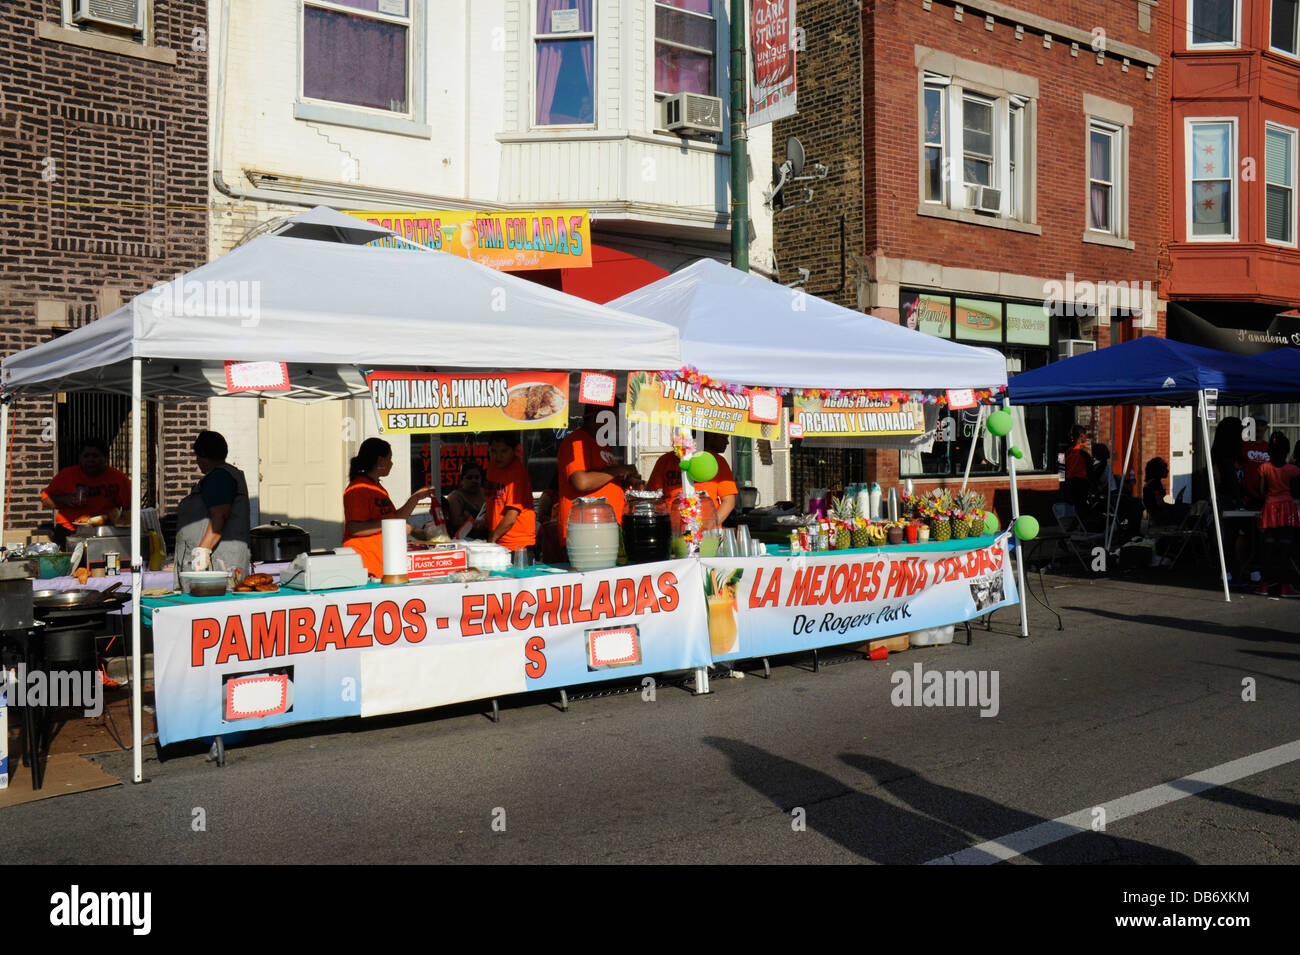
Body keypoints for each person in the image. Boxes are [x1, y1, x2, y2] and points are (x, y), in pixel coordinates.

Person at [342, 438, 434, 578]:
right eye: (389, 458)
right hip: (364, 564)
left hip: (381, 564)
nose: (392, 463)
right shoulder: (357, 489)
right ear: (380, 461)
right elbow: (356, 528)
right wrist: (393, 525)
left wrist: (415, 498)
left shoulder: (377, 487)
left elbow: (394, 518)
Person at [556, 405, 640, 544]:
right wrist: (618, 470)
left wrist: (626, 481)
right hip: (586, 532)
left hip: (605, 529)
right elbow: (581, 482)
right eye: (611, 419)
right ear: (596, 417)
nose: (614, 425)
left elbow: (603, 480)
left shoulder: (602, 443)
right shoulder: (576, 440)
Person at [174, 431, 252, 581]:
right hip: (221, 560)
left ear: (203, 456)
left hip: (218, 565)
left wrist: (203, 551)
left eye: (198, 456)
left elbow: (219, 516)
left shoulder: (219, 477)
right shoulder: (224, 474)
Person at [41, 437, 132, 547]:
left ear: (105, 458)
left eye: (95, 456)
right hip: (69, 530)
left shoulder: (118, 478)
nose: (90, 460)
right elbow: (46, 500)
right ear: (80, 458)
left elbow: (129, 508)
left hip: (105, 532)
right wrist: (66, 499)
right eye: (86, 456)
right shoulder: (67, 475)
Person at [646, 432, 740, 524]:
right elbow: (652, 496)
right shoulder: (665, 460)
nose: (727, 442)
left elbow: (729, 501)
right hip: (672, 531)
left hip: (706, 534)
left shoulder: (717, 461)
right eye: (724, 438)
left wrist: (710, 526)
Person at [1255, 432, 1300, 598]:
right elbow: (1296, 492)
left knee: (1267, 548)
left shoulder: (1264, 468)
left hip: (1269, 508)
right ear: (1287, 449)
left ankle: (1264, 585)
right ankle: (1285, 586)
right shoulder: (1293, 470)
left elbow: (1261, 491)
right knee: (1285, 548)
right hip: (1287, 508)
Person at [484, 431, 537, 555]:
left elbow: (511, 516)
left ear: (514, 451)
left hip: (518, 545)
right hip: (498, 541)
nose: (498, 457)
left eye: (504, 451)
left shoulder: (517, 473)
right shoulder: (491, 467)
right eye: (493, 451)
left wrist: (493, 537)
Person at [444, 460, 487, 538]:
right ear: (461, 480)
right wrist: (474, 523)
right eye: (469, 478)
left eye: (477, 477)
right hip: (465, 540)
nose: (474, 481)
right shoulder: (456, 497)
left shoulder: (484, 493)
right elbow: (456, 523)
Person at [1142, 457, 1187, 528]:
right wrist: (1173, 506)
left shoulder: (1150, 482)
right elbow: (1160, 503)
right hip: (1160, 517)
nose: (1167, 470)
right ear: (1157, 470)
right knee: (1186, 510)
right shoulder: (1155, 483)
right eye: (1164, 468)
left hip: (1157, 515)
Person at [1240, 414, 1270, 508]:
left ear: (1266, 428)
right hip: (1247, 498)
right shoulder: (1243, 445)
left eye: (1262, 425)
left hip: (1268, 498)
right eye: (1255, 425)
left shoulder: (1270, 448)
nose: (1258, 428)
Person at [1062, 426, 1093, 511]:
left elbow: (1061, 470)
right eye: (1085, 435)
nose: (1086, 438)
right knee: (1081, 508)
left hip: (1068, 483)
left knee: (1071, 509)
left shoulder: (1066, 451)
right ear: (1082, 436)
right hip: (1081, 483)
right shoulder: (1086, 451)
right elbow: (1090, 469)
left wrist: (1062, 485)